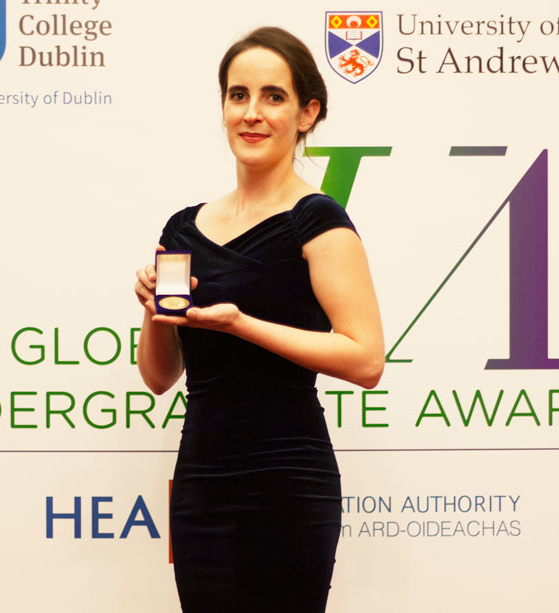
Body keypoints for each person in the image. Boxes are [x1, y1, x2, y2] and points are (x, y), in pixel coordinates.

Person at [134, 26, 384, 613]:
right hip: (201, 477)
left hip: (288, 480)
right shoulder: (183, 228)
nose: (252, 113)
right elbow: (158, 376)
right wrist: (152, 314)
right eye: (237, 95)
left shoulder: (317, 220)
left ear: (306, 113)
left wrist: (240, 323)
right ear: (222, 107)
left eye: (273, 96)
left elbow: (366, 358)